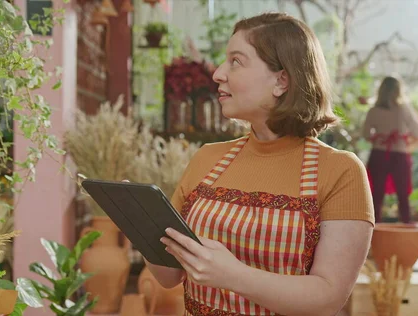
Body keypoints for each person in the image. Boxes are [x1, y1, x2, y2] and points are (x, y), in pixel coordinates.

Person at [150, 12, 374, 316]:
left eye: (236, 61)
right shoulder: (207, 158)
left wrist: (234, 276)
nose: (217, 74)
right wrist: (138, 222)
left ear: (281, 80)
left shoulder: (341, 171)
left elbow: (328, 297)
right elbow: (169, 276)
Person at [362, 76, 418, 224]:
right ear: (398, 90)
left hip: (378, 154)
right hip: (400, 155)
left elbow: (365, 134)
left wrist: (380, 136)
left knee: (376, 195)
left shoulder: (373, 111)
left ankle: (374, 230)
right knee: (403, 196)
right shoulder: (404, 109)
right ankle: (406, 227)